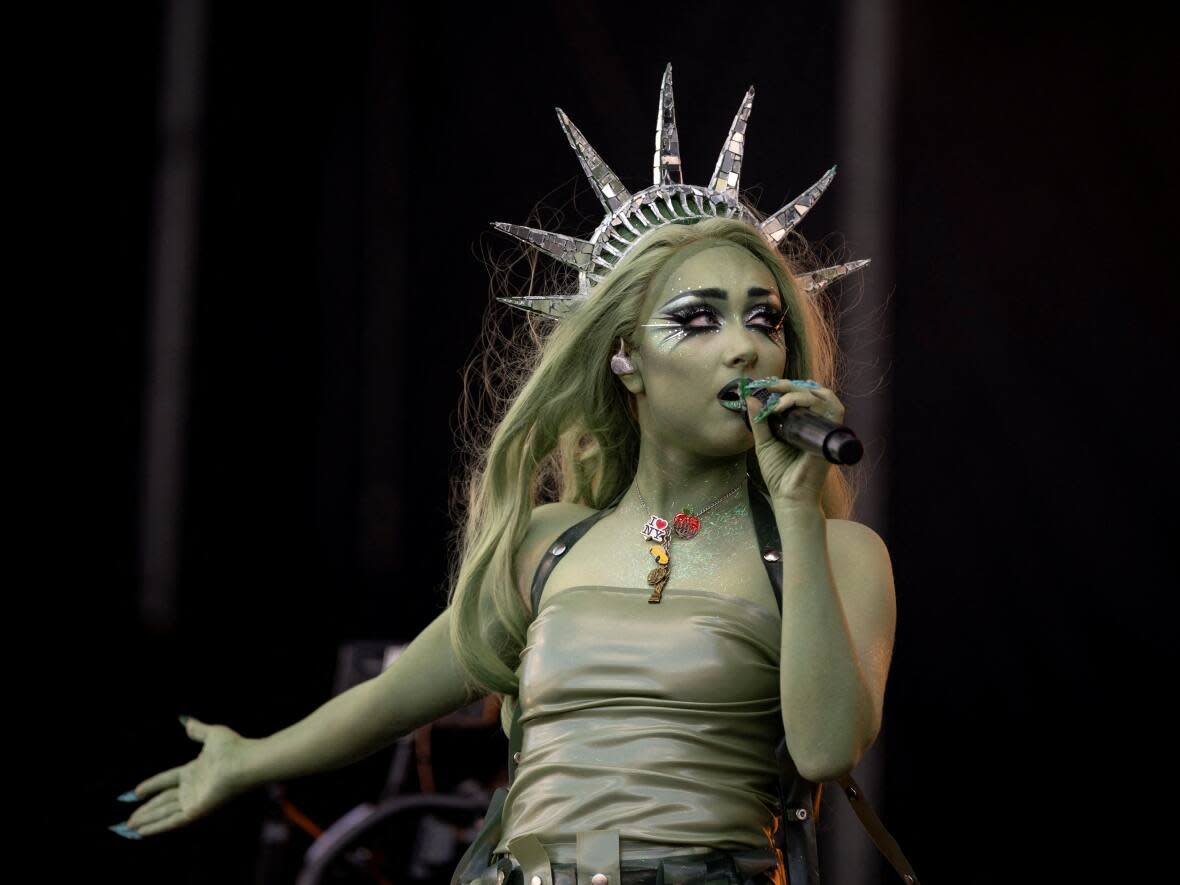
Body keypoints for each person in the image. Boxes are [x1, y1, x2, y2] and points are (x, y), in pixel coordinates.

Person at [112, 65, 902, 885]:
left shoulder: (840, 554)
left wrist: (798, 510)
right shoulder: (547, 546)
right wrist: (245, 759)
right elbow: (392, 700)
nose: (745, 346)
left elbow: (824, 745)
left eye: (763, 319)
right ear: (624, 356)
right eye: (696, 319)